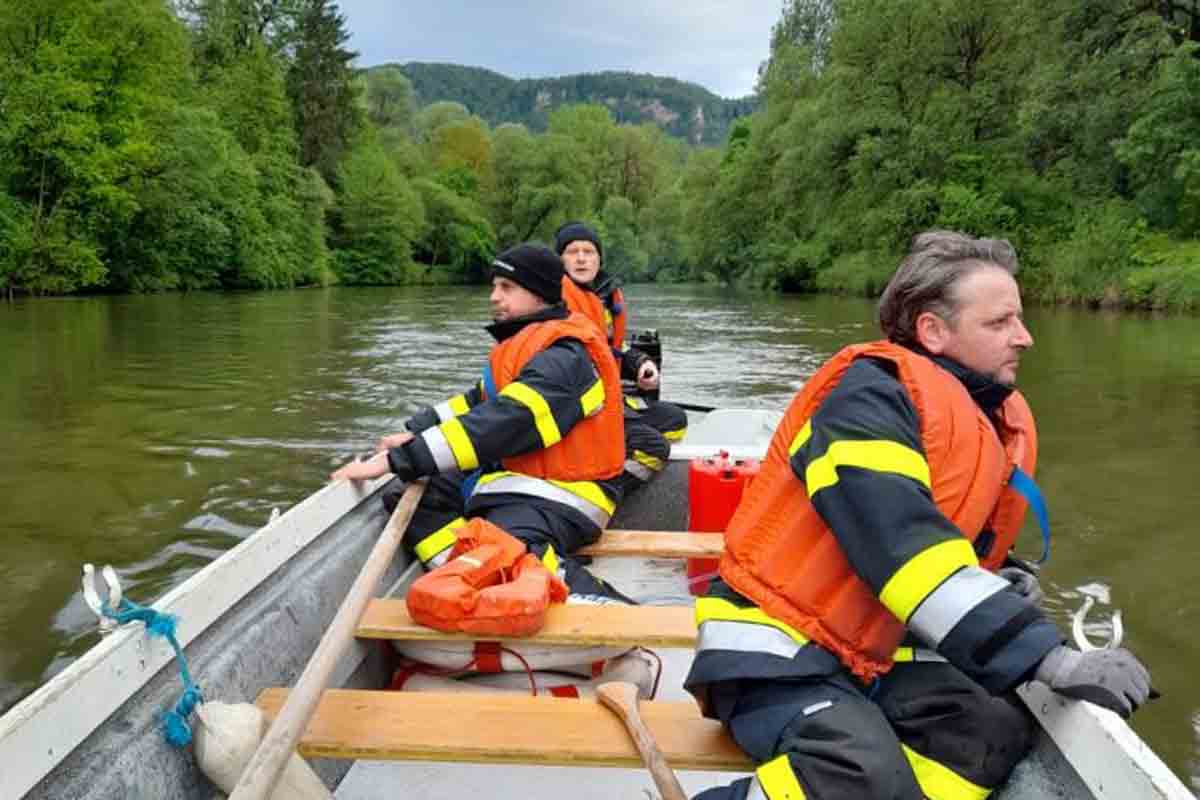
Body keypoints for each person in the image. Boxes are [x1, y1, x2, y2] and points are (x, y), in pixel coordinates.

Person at [685, 231, 1153, 800]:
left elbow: (943, 549)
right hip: (778, 651)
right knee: (861, 772)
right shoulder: (866, 402)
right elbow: (901, 545)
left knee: (989, 734)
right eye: (1000, 323)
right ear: (933, 330)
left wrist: (997, 580)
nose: (1024, 338)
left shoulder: (977, 415)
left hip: (874, 649)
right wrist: (1044, 655)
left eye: (1021, 320)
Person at [331, 243, 632, 603]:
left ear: (538, 294)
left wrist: (401, 459)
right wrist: (417, 431)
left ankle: (601, 605)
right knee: (412, 498)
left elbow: (507, 421)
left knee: (508, 542)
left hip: (569, 493)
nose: (493, 297)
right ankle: (474, 578)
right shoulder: (528, 342)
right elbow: (479, 401)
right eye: (494, 286)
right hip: (518, 479)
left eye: (506, 287)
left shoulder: (567, 357)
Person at [554, 221, 687, 495]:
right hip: (579, 410)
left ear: (599, 258)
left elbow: (613, 347)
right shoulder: (554, 301)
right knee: (653, 447)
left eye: (588, 251)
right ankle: (601, 493)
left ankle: (608, 461)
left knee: (675, 422)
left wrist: (640, 364)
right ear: (560, 260)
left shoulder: (602, 296)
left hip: (609, 400)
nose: (581, 258)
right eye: (572, 251)